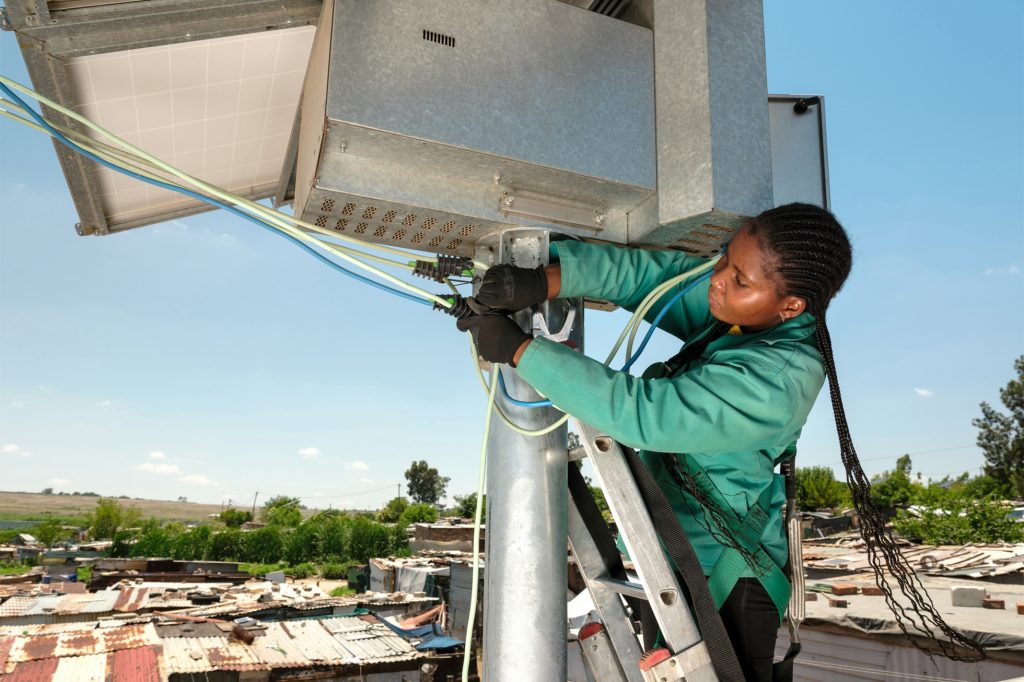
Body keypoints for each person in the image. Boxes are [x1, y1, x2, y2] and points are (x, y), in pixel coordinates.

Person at [456, 202, 983, 680]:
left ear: (790, 305)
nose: (718, 283)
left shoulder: (779, 377)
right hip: (676, 551)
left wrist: (523, 350)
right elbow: (652, 280)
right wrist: (550, 279)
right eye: (725, 262)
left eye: (740, 279)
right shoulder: (742, 314)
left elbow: (645, 415)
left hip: (724, 577)